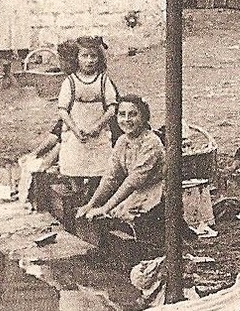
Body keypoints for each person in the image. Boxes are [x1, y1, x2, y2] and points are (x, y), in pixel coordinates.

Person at [78, 96, 164, 225]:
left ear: (144, 117)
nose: (127, 119)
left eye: (133, 114)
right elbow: (111, 177)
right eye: (122, 114)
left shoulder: (151, 142)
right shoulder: (122, 141)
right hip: (136, 192)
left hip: (155, 193)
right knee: (109, 213)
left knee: (121, 216)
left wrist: (105, 208)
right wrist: (91, 204)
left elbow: (133, 181)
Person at [57, 37, 119, 190]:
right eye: (84, 56)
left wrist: (98, 126)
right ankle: (77, 197)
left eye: (93, 56)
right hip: (77, 134)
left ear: (99, 58)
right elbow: (63, 110)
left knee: (99, 172)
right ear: (76, 58)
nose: (89, 60)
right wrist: (75, 130)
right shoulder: (70, 81)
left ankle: (94, 200)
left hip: (97, 134)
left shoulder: (103, 80)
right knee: (75, 169)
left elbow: (112, 107)